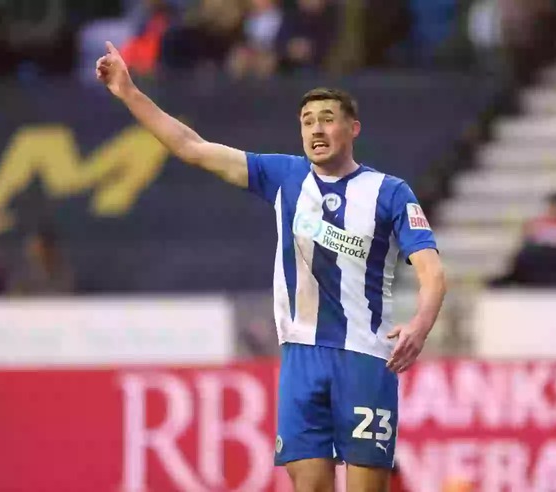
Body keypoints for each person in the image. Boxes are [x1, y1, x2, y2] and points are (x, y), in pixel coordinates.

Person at [96, 41, 446, 492]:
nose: (315, 129)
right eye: (306, 121)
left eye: (327, 119)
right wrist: (128, 92)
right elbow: (192, 147)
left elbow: (433, 272)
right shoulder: (284, 176)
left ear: (353, 128)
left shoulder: (390, 192)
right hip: (301, 357)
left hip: (364, 359)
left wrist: (419, 325)